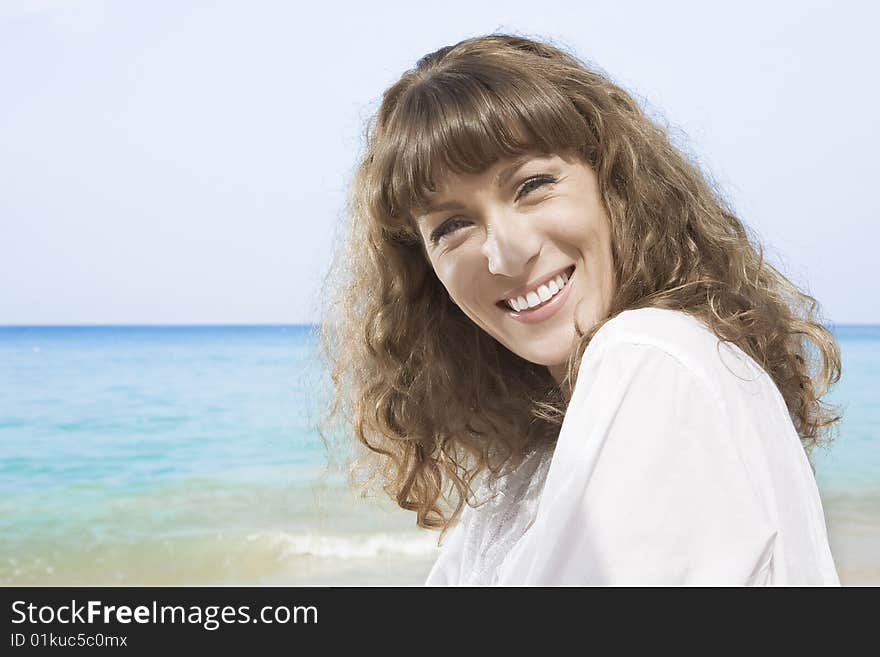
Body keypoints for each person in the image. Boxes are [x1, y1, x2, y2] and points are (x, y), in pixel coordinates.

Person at [319, 34, 842, 585]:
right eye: (452, 226)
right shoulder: (525, 472)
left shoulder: (650, 355)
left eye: (532, 186)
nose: (506, 252)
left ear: (612, 181)